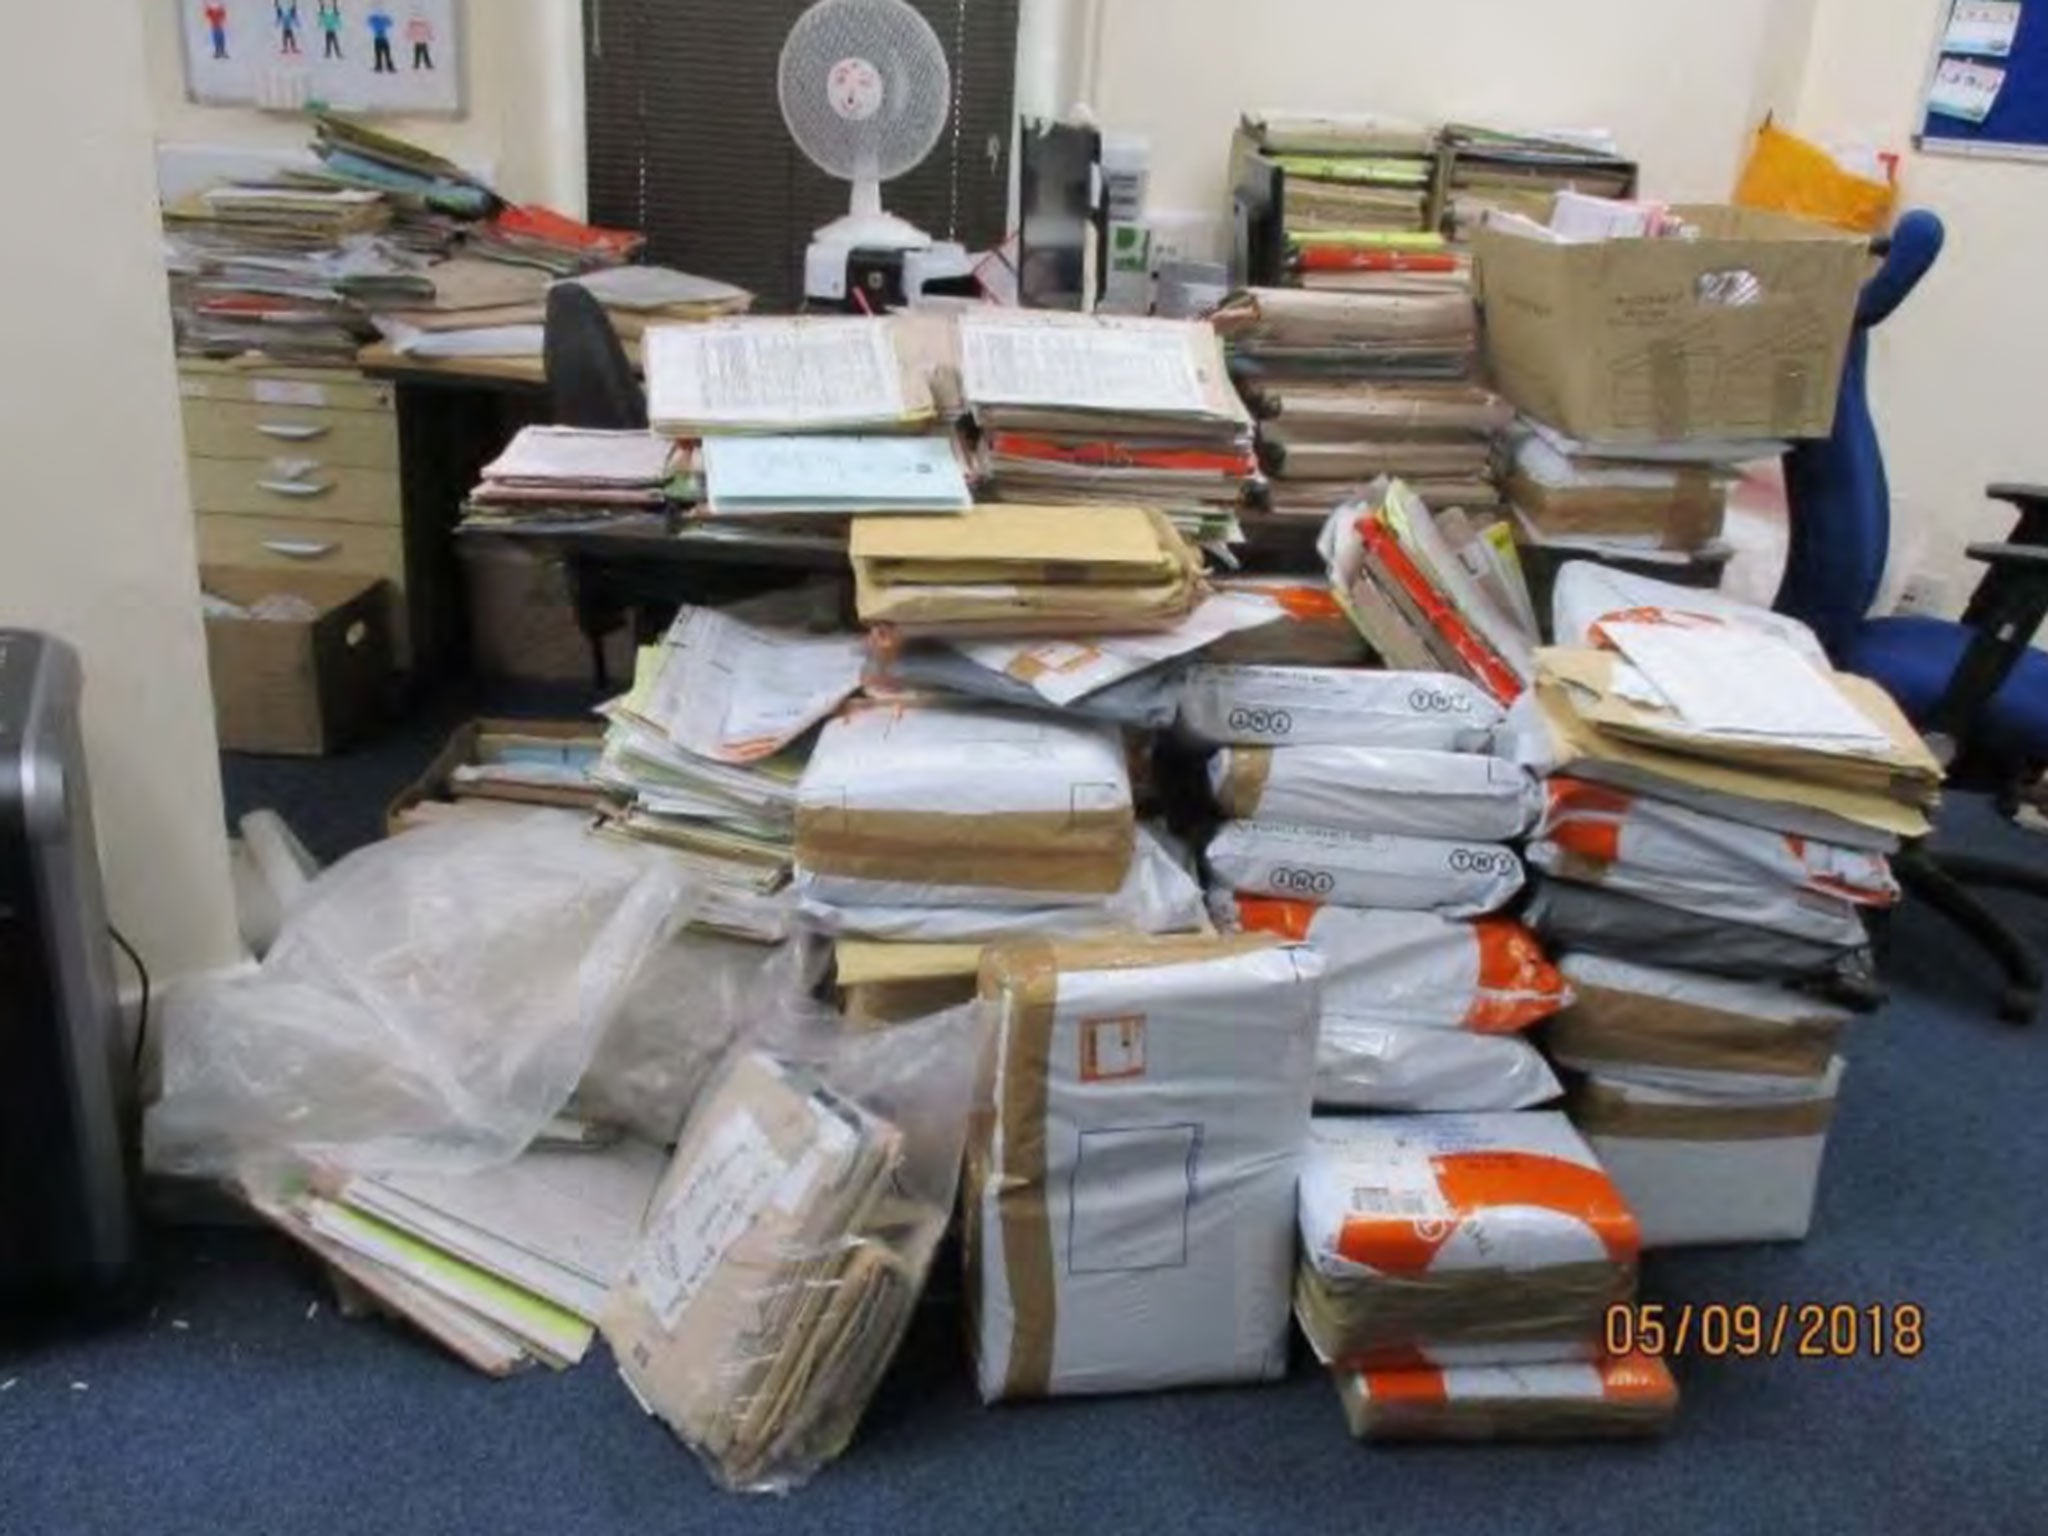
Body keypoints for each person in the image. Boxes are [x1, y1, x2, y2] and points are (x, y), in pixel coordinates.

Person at [367, 6, 395, 72]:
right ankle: (389, 67)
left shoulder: (374, 20)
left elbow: (368, 22)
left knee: (378, 54)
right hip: (384, 39)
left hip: (377, 39)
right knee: (387, 53)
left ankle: (378, 66)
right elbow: (390, 23)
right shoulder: (384, 20)